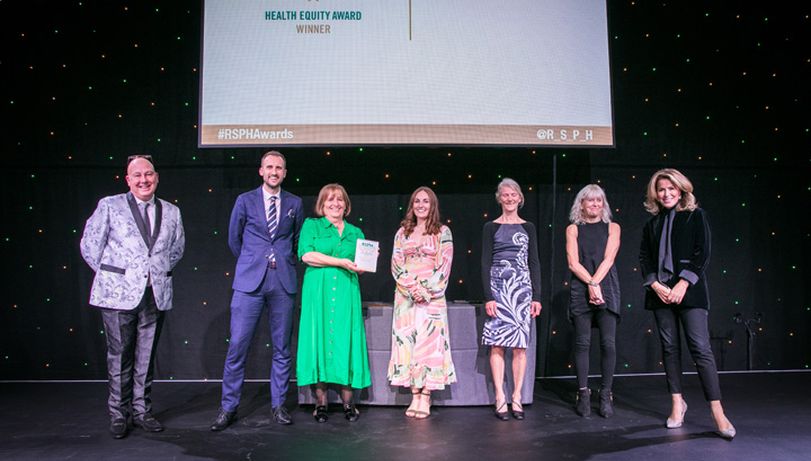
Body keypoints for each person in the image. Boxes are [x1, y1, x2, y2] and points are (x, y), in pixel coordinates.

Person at [80, 154, 185, 439]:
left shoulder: (171, 211)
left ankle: (142, 411)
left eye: (148, 174)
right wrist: (117, 275)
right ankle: (118, 413)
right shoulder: (110, 205)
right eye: (137, 176)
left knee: (146, 356)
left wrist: (153, 273)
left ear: (157, 177)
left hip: (155, 293)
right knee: (119, 355)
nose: (144, 180)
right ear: (128, 180)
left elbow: (176, 250)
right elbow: (90, 245)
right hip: (117, 295)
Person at [639, 168, 736, 439]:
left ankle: (717, 412)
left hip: (690, 292)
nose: (666, 193)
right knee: (670, 349)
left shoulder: (696, 216)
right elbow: (644, 257)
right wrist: (656, 284)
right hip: (660, 295)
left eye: (671, 189)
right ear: (655, 194)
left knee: (700, 349)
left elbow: (702, 253)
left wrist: (682, 283)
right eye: (661, 189)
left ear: (681, 190)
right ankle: (677, 404)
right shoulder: (651, 224)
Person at [211, 151, 304, 430]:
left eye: (279, 167)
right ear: (261, 171)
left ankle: (278, 406)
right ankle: (228, 407)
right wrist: (254, 261)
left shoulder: (295, 203)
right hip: (249, 283)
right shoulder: (244, 200)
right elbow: (233, 239)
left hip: (282, 282)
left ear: (284, 173)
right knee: (238, 346)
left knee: (282, 348)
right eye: (269, 167)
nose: (274, 171)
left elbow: (297, 241)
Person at [296, 184, 371, 423]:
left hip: (347, 292)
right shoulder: (312, 225)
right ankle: (321, 403)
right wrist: (341, 262)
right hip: (317, 293)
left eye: (339, 200)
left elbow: (361, 265)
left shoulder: (355, 232)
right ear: (322, 204)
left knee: (346, 340)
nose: (335, 204)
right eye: (330, 200)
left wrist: (364, 265)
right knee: (319, 339)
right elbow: (307, 256)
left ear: (346, 205)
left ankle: (349, 402)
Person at [388, 186, 456, 419]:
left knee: (429, 345)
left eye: (425, 201)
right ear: (412, 205)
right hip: (405, 297)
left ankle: (425, 396)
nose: (421, 205)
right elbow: (396, 264)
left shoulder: (442, 231)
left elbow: (445, 266)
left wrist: (425, 291)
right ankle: (414, 394)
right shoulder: (402, 233)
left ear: (432, 205)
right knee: (406, 345)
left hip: (432, 298)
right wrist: (411, 288)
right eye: (417, 201)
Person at [481, 178, 542, 421]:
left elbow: (534, 262)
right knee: (497, 344)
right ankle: (499, 397)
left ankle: (516, 396)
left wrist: (536, 296)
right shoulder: (490, 227)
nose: (508, 198)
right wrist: (488, 296)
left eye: (513, 195)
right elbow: (485, 262)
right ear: (499, 198)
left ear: (519, 198)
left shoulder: (529, 227)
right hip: (498, 288)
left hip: (522, 289)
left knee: (519, 346)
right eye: (504, 195)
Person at [565, 184, 621, 418]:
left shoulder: (613, 227)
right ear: (582, 204)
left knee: (608, 343)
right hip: (581, 286)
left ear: (603, 204)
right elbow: (572, 262)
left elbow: (609, 259)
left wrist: (596, 284)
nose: (595, 205)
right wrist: (589, 284)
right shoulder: (573, 229)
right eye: (590, 201)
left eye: (599, 201)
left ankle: (606, 394)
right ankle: (583, 393)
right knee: (582, 343)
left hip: (606, 285)